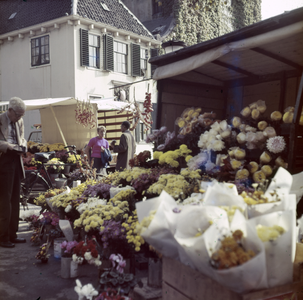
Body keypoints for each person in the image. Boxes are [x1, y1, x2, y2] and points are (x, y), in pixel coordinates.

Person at [0, 97, 27, 248]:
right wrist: (8, 146)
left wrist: (23, 145)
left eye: (22, 115)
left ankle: (12, 234)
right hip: (3, 160)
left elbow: (22, 138)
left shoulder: (19, 120)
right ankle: (3, 237)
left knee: (15, 198)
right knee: (5, 200)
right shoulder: (0, 119)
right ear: (9, 110)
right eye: (17, 115)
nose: (19, 118)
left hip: (16, 160)